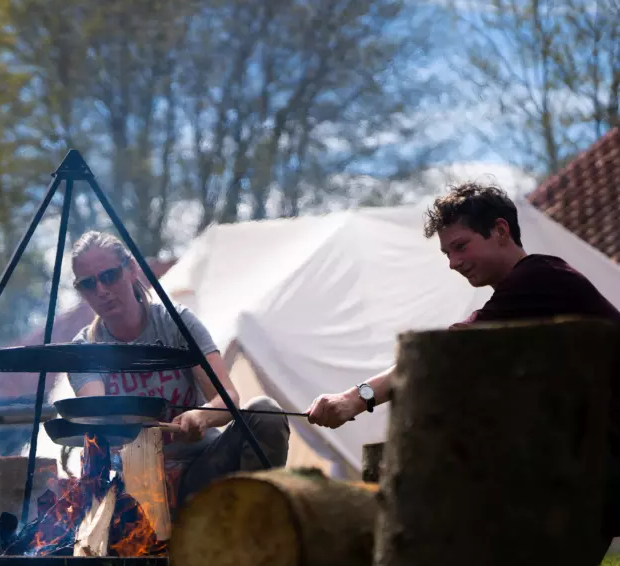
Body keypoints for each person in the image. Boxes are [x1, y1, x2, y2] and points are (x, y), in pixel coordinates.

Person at [305, 182, 620, 545]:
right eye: (447, 254)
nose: (454, 263)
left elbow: (441, 352)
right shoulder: (527, 298)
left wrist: (354, 399)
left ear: (500, 230)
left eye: (461, 246)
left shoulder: (538, 279)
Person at [66, 230, 291, 509]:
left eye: (109, 276)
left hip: (203, 469)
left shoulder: (176, 323)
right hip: (138, 484)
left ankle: (254, 525)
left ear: (132, 269)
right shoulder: (84, 349)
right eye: (88, 284)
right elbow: (96, 414)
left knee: (265, 413)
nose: (101, 290)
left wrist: (201, 416)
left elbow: (227, 397)